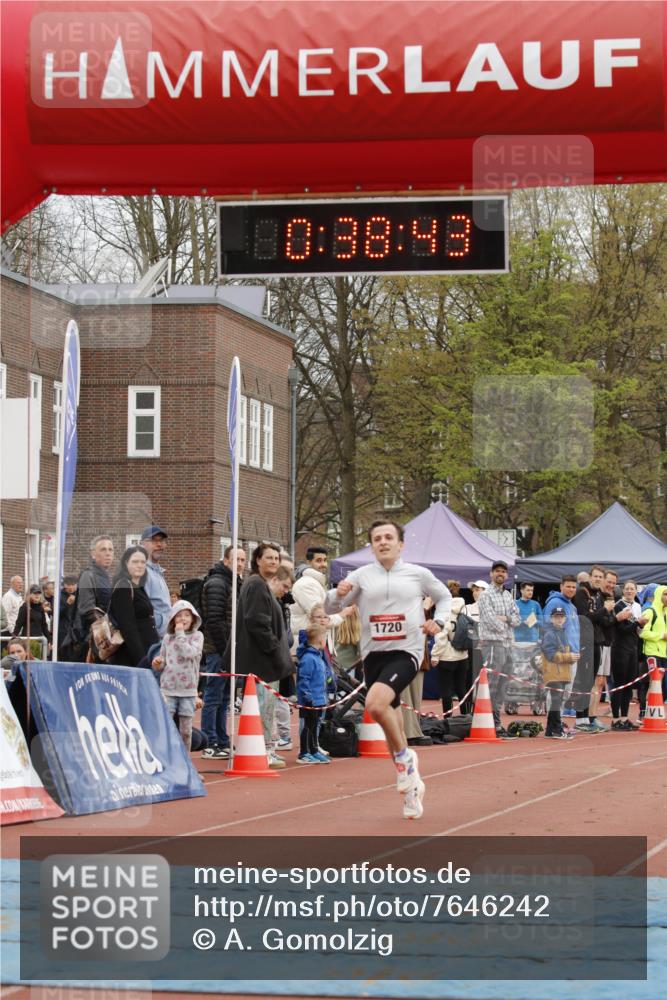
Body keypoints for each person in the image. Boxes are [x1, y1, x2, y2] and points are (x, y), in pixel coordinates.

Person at [325, 520, 452, 821]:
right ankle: (411, 789)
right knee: (389, 711)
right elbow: (330, 608)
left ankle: (403, 759)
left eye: (388, 538)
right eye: (377, 539)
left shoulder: (417, 574)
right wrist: (336, 594)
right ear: (371, 545)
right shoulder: (361, 576)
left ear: (400, 544)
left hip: (406, 651)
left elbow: (445, 596)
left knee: (375, 704)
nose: (383, 542)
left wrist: (440, 621)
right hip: (373, 655)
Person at [224, 541, 294, 769]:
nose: (273, 561)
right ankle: (262, 749)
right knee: (263, 708)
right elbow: (256, 622)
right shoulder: (256, 585)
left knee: (265, 707)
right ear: (258, 560)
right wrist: (274, 649)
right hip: (261, 660)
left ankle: (262, 748)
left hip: (265, 660)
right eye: (269, 557)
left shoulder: (261, 585)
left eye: (276, 558)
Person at [200, 545, 247, 760]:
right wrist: (224, 649)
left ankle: (222, 736)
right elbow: (215, 620)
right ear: (226, 560)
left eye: (243, 560)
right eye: (236, 559)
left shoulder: (236, 583)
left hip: (231, 649)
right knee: (213, 695)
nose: (240, 563)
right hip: (218, 649)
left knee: (226, 696)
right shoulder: (218, 583)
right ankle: (209, 740)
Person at [152, 600, 204, 751]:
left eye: (187, 615)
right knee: (166, 726)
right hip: (168, 689)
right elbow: (163, 661)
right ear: (173, 619)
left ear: (193, 618)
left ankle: (186, 764)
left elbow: (189, 653)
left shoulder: (197, 637)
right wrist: (158, 663)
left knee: (186, 731)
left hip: (188, 691)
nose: (183, 619)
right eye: (179, 616)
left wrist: (180, 634)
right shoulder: (168, 639)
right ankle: (167, 759)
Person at [477, 561, 521, 739]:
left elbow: (518, 619)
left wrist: (506, 619)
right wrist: (506, 622)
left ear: (507, 575)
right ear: (491, 574)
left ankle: (496, 721)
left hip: (508, 645)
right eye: (497, 571)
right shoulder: (485, 595)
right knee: (492, 685)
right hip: (493, 644)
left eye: (503, 571)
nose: (500, 574)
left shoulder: (508, 595)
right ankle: (490, 723)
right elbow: (489, 621)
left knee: (503, 685)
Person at [573, 565, 614, 732]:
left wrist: (609, 614)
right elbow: (586, 617)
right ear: (590, 577)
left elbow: (602, 620)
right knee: (583, 680)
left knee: (590, 682)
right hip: (585, 642)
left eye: (600, 577)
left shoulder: (598, 595)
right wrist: (605, 610)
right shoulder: (582, 592)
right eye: (595, 576)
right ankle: (580, 719)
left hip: (597, 641)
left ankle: (588, 718)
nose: (597, 579)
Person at [109, 545, 159, 667]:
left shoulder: (139, 587)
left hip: (147, 650)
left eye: (143, 562)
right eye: (135, 561)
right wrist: (141, 659)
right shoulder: (124, 587)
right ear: (126, 563)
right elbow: (128, 627)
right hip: (133, 656)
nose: (140, 565)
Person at [268, 565, 297, 752]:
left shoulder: (282, 603)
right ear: (275, 580)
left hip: (281, 653)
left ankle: (282, 736)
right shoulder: (270, 602)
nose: (286, 591)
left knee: (282, 697)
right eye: (285, 587)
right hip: (273, 656)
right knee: (273, 698)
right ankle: (271, 739)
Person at [610, 581, 645, 730]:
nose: (630, 591)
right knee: (619, 684)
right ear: (623, 590)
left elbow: (637, 631)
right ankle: (615, 719)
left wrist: (640, 625)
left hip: (633, 649)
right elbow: (622, 630)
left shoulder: (637, 606)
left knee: (629, 685)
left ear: (636, 591)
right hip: (620, 649)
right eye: (627, 589)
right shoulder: (618, 605)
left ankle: (624, 718)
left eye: (632, 589)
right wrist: (637, 623)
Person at [74, 534, 114, 661]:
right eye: (103, 549)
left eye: (110, 549)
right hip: (92, 641)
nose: (108, 553)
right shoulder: (88, 575)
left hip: (107, 639)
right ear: (93, 554)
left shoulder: (108, 577)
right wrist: (105, 636)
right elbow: (87, 610)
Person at [541, 605, 578, 739]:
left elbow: (561, 653)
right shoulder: (550, 633)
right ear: (551, 618)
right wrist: (568, 657)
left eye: (561, 617)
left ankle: (550, 729)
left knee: (557, 700)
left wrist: (571, 658)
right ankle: (556, 729)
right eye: (556, 617)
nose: (559, 619)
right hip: (553, 673)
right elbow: (550, 654)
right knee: (556, 700)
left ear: (565, 618)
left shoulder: (562, 632)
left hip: (560, 672)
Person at [296, 624, 331, 764]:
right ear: (319, 640)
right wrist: (307, 697)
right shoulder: (309, 658)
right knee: (308, 726)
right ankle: (304, 752)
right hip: (309, 701)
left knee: (314, 725)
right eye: (325, 638)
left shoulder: (318, 657)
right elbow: (303, 679)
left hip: (318, 699)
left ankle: (314, 750)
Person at [431, 589, 469, 718]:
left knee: (446, 691)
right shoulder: (464, 611)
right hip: (463, 656)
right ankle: (466, 716)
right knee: (461, 689)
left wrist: (435, 655)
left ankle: (447, 719)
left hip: (447, 657)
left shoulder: (444, 613)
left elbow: (441, 638)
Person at [140, 525, 171, 637]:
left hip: (163, 639)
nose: (159, 545)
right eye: (154, 540)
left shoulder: (157, 572)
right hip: (153, 641)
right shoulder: (143, 572)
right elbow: (141, 610)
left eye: (161, 541)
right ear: (142, 544)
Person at [640, 585, 667, 696]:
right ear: (658, 595)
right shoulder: (650, 611)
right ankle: (646, 710)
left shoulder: (665, 613)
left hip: (663, 652)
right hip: (651, 652)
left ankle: (653, 710)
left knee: (658, 683)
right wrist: (662, 636)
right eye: (665, 594)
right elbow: (643, 633)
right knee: (652, 683)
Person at [13, 585, 51, 649]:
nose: (37, 595)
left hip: (39, 640)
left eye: (39, 593)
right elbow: (18, 625)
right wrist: (13, 640)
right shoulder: (25, 607)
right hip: (27, 640)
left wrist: (49, 640)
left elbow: (44, 625)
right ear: (29, 594)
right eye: (34, 593)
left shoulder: (40, 607)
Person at [56, 575, 79, 660]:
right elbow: (56, 614)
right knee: (63, 653)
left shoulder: (79, 595)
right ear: (64, 585)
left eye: (73, 584)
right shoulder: (59, 596)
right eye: (68, 585)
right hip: (63, 630)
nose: (71, 587)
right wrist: (67, 604)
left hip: (76, 630)